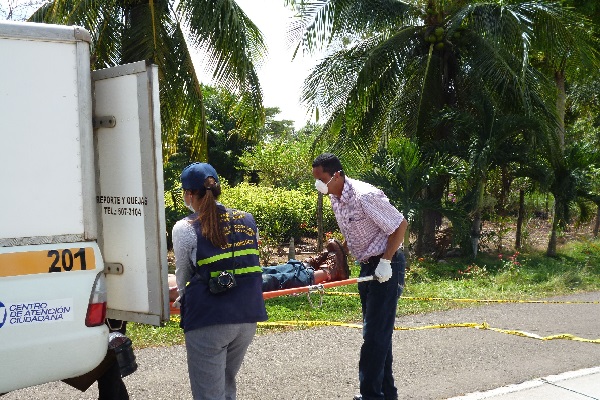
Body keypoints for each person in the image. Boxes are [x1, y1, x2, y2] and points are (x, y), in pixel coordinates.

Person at [312, 153, 408, 400]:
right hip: (367, 267)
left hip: (387, 265)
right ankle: (387, 393)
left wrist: (386, 262)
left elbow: (400, 225)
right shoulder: (335, 198)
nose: (319, 185)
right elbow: (354, 230)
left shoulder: (365, 196)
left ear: (337, 175)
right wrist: (339, 252)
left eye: (322, 179)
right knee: (377, 334)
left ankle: (370, 395)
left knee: (375, 335)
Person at [172, 162, 268, 400]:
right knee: (225, 387)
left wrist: (182, 298)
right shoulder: (247, 220)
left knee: (208, 393)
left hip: (209, 319)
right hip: (247, 316)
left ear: (189, 193)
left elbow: (183, 273)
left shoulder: (185, 228)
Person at [170, 239, 350, 298]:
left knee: (263, 272)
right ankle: (327, 272)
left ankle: (306, 265)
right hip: (211, 288)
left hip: (212, 279)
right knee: (269, 281)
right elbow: (173, 293)